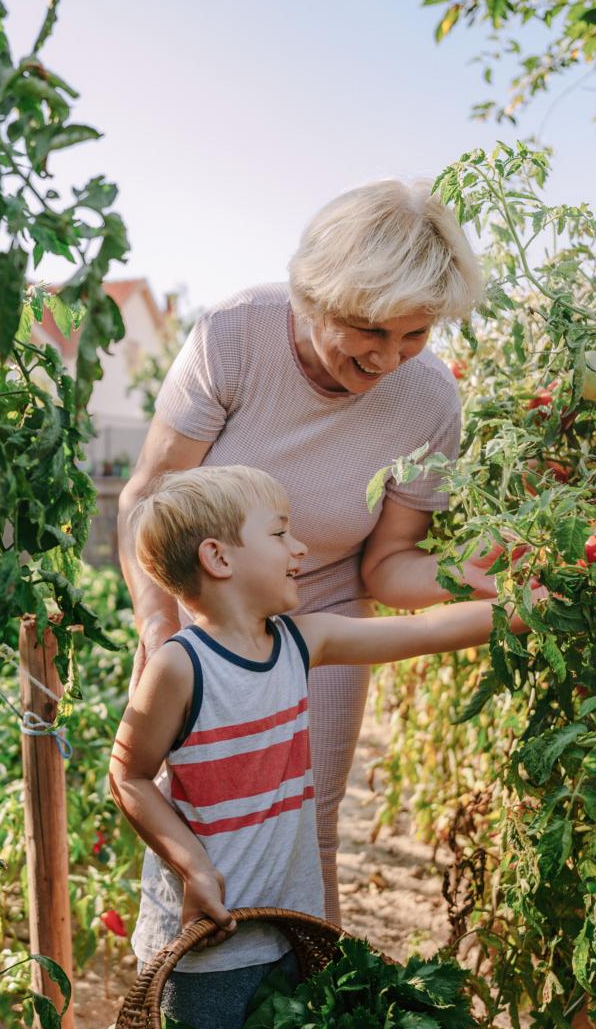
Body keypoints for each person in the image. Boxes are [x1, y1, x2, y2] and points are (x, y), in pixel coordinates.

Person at [118, 178, 493, 925]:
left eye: (414, 334)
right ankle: (184, 991)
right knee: (201, 813)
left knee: (307, 824)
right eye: (369, 330)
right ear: (314, 297)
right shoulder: (234, 336)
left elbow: (384, 568)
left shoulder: (429, 400)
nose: (390, 359)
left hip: (320, 604)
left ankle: (306, 1011)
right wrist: (165, 638)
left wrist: (470, 578)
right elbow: (148, 499)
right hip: (206, 613)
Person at [110, 465, 529, 1029]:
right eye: (280, 533)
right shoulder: (180, 667)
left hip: (289, 928)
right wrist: (194, 868)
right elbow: (128, 775)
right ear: (219, 557)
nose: (300, 547)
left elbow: (426, 630)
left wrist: (526, 607)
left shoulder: (299, 642)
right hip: (207, 944)